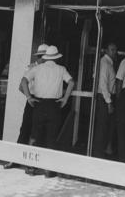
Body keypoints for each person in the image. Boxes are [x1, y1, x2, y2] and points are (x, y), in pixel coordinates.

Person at [22, 45, 75, 178]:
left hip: (39, 104)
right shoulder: (61, 69)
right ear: (56, 58)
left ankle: (31, 167)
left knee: (35, 135)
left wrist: (29, 97)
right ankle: (49, 170)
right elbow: (72, 82)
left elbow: (23, 81)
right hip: (54, 105)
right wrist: (65, 99)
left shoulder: (37, 68)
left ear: (45, 57)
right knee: (51, 137)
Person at [3, 43, 48, 170]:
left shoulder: (47, 69)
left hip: (41, 101)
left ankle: (33, 164)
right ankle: (17, 160)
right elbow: (21, 86)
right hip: (33, 100)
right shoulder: (31, 67)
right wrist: (30, 97)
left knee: (38, 132)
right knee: (26, 131)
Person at [92, 42, 117, 158]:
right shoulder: (105, 63)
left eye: (115, 50)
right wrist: (109, 102)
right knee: (102, 126)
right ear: (106, 51)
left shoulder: (109, 63)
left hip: (107, 97)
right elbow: (103, 84)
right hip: (104, 97)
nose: (114, 52)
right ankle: (98, 154)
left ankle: (102, 151)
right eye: (111, 50)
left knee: (105, 126)